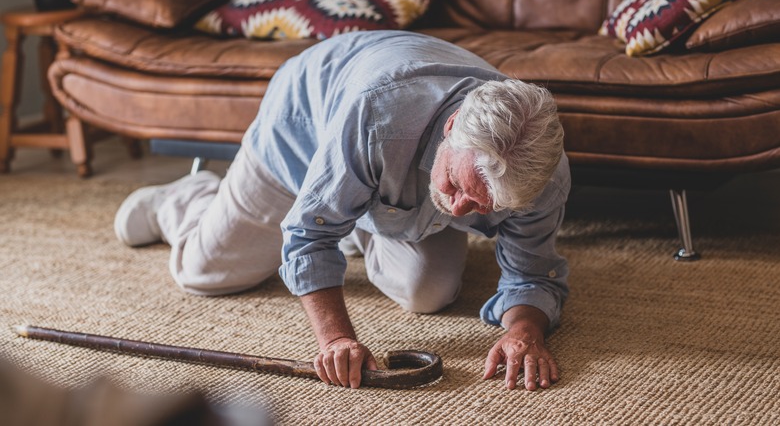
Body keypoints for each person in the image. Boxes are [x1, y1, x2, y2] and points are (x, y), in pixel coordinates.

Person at [114, 30, 570, 391]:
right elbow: (310, 233)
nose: (458, 207)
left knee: (426, 292)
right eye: (455, 184)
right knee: (205, 272)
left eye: (481, 206)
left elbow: (532, 274)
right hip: (302, 132)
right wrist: (335, 339)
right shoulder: (379, 113)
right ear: (452, 128)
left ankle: (357, 211)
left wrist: (524, 330)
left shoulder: (540, 174)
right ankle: (188, 198)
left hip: (390, 170)